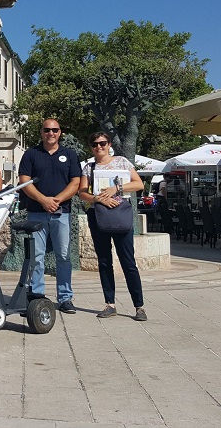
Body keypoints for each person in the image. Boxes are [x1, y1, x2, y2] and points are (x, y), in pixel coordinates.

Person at [78, 132, 147, 322]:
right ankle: (110, 304)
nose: (98, 147)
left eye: (102, 143)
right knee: (104, 261)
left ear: (109, 144)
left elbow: (138, 184)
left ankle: (139, 306)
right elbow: (82, 193)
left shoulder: (122, 162)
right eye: (94, 144)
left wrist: (116, 188)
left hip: (121, 214)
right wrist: (97, 199)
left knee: (128, 261)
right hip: (99, 216)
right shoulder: (89, 167)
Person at [18, 118, 80, 314]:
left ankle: (65, 298)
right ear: (41, 132)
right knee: (36, 257)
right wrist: (43, 200)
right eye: (47, 130)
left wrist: (57, 200)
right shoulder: (31, 154)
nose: (50, 133)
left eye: (54, 130)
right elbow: (24, 181)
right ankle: (36, 296)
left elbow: (75, 182)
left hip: (61, 213)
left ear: (60, 132)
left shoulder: (69, 155)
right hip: (36, 212)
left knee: (63, 256)